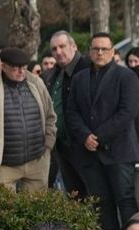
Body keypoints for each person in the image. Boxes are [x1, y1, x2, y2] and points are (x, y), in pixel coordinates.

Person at [66, 33, 139, 230]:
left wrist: (97, 137)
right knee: (100, 204)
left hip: (119, 151)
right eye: (95, 49)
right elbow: (71, 112)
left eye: (104, 49)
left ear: (112, 52)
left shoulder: (126, 76)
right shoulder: (79, 78)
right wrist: (85, 136)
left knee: (125, 201)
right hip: (89, 154)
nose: (100, 53)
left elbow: (127, 113)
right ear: (89, 52)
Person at [0, 47, 56, 192]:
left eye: (24, 67)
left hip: (37, 161)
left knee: (37, 211)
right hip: (4, 165)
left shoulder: (36, 82)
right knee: (5, 212)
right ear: (3, 66)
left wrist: (48, 146)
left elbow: (50, 115)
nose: (21, 71)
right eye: (16, 68)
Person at [43, 30, 90, 195]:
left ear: (74, 46)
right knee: (74, 196)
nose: (58, 52)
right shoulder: (53, 74)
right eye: (54, 49)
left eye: (62, 46)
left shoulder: (87, 69)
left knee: (93, 197)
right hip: (62, 145)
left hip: (83, 145)